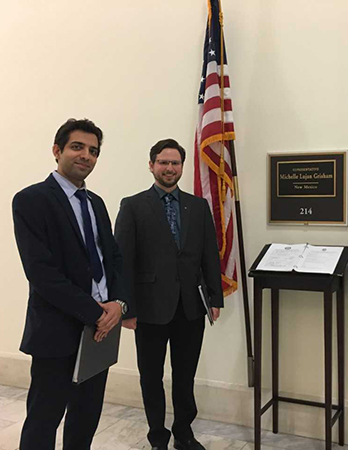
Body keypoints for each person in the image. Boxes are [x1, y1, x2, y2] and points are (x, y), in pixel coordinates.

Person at [12, 118, 128, 449]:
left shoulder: (96, 204)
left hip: (100, 332)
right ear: (57, 150)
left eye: (93, 151)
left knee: (86, 417)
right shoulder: (31, 200)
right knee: (44, 419)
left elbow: (114, 261)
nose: (86, 156)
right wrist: (96, 312)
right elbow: (42, 273)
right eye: (77, 147)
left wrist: (118, 305)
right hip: (58, 329)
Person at [115, 138, 223, 450]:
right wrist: (126, 308)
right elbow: (122, 260)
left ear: (182, 167)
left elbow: (209, 256)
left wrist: (215, 298)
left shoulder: (197, 206)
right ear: (151, 166)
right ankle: (157, 437)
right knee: (151, 377)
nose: (169, 168)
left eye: (175, 163)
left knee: (185, 375)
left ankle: (184, 433)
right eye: (163, 162)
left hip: (190, 307)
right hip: (148, 309)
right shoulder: (133, 206)